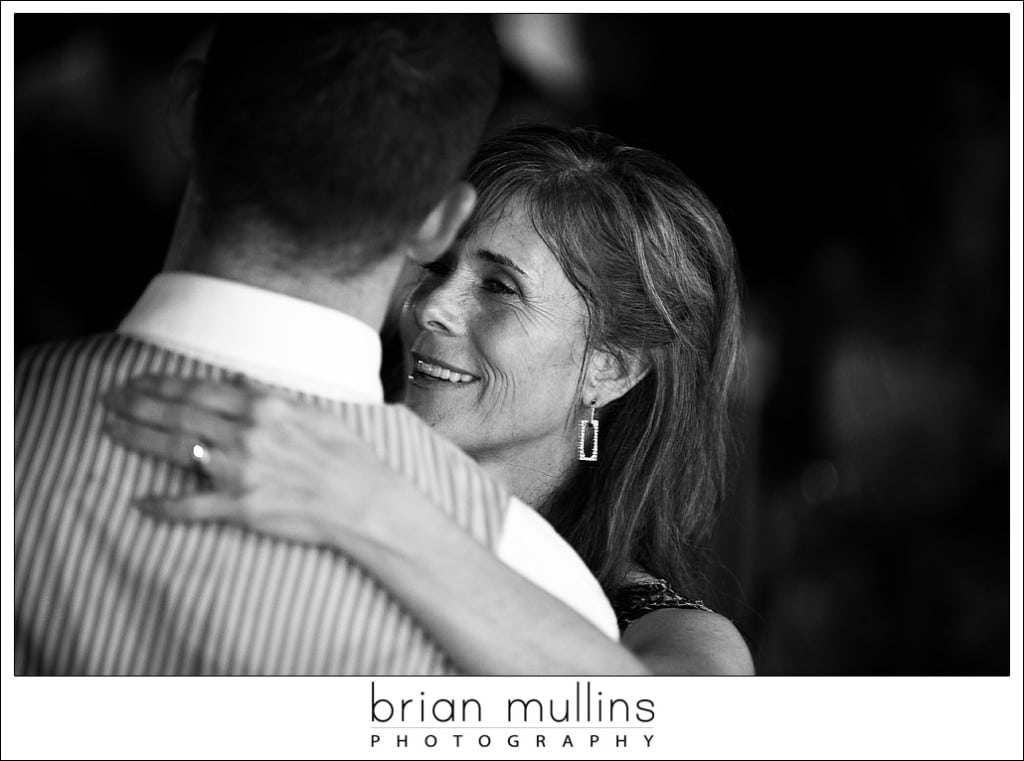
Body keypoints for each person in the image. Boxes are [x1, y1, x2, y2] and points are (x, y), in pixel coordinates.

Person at [14, 17, 619, 676]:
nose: (438, 307)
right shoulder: (538, 596)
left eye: (500, 285)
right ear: (439, 222)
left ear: (189, 106)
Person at [103, 124, 756, 675]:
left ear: (610, 369)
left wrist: (373, 511)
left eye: (499, 286)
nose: (431, 307)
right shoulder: (300, 469)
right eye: (438, 267)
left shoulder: (671, 635)